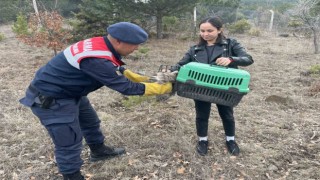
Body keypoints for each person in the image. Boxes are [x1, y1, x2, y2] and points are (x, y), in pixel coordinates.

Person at [19, 22, 173, 179]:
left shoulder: (101, 42)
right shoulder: (95, 60)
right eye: (135, 45)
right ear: (119, 41)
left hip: (71, 92)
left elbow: (110, 62)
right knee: (69, 141)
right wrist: (162, 89)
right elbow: (126, 88)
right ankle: (72, 175)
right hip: (52, 99)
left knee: (90, 122)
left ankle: (98, 151)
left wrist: (127, 72)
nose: (137, 48)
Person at [171, 16, 253, 156]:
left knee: (227, 114)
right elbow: (181, 64)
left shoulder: (230, 44)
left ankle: (230, 140)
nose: (205, 34)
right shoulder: (195, 49)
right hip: (200, 87)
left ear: (219, 30)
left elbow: (248, 59)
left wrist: (231, 59)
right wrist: (171, 70)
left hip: (225, 87)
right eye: (202, 31)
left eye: (210, 30)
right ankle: (202, 140)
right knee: (201, 114)